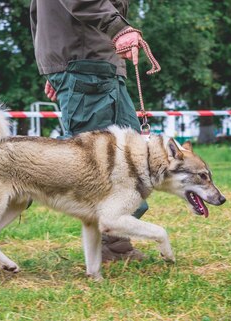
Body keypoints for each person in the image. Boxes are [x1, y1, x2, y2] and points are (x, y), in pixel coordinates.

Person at [29, 0, 150, 262]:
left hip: (95, 61)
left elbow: (41, 14)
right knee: (87, 161)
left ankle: (114, 243)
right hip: (86, 60)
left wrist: (54, 65)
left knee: (127, 161)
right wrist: (118, 27)